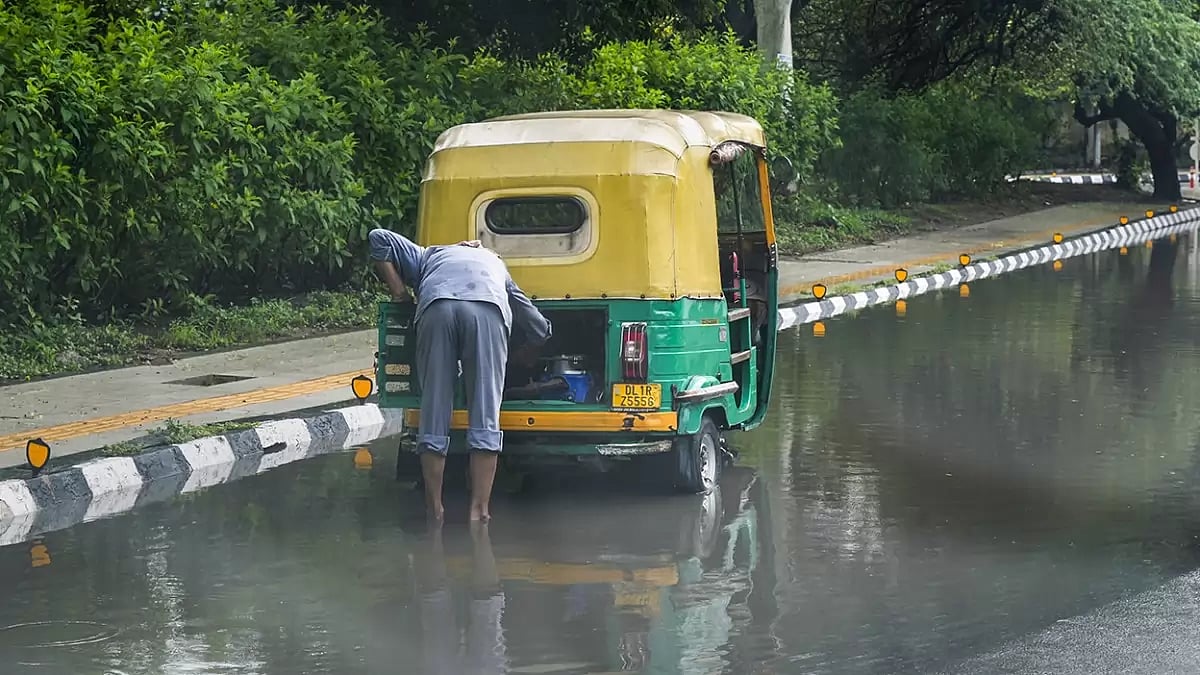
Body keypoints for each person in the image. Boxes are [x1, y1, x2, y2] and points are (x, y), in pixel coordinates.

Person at [369, 228, 551, 522]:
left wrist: (401, 295)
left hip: (437, 308)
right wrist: (536, 339)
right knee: (485, 414)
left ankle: (434, 509)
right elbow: (535, 323)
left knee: (434, 410)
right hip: (487, 310)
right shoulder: (495, 263)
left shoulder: (428, 254)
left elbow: (378, 238)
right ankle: (479, 511)